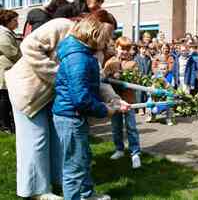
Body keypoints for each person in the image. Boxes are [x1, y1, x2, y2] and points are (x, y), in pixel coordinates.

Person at [5, 11, 119, 200]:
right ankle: (36, 191)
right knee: (36, 140)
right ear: (93, 26)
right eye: (107, 33)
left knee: (58, 143)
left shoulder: (92, 51)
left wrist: (114, 99)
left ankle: (62, 182)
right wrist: (59, 75)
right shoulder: (61, 26)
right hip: (28, 90)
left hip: (55, 97)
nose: (108, 39)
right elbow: (28, 46)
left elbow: (97, 81)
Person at [52, 16, 121, 200]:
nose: (107, 43)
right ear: (93, 35)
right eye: (104, 39)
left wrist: (111, 102)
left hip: (74, 116)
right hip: (71, 117)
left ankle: (87, 195)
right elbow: (81, 99)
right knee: (74, 167)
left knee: (83, 159)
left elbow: (89, 88)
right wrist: (105, 110)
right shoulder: (78, 59)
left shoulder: (82, 54)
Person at [103, 37, 142, 168]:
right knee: (116, 126)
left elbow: (136, 81)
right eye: (122, 48)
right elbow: (103, 79)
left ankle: (135, 152)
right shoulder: (110, 62)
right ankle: (119, 149)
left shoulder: (133, 64)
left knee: (131, 127)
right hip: (114, 100)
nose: (124, 52)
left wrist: (123, 76)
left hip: (128, 100)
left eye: (127, 49)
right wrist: (110, 76)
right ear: (116, 48)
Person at [0, 9, 21, 133]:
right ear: (7, 21)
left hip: (7, 67)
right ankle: (5, 125)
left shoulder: (7, 32)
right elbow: (10, 50)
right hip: (5, 68)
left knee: (5, 97)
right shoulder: (3, 33)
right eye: (15, 20)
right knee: (4, 97)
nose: (17, 23)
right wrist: (22, 57)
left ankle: (6, 124)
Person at [134, 43, 152, 115]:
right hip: (139, 78)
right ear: (139, 49)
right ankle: (140, 108)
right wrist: (139, 76)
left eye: (145, 49)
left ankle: (146, 107)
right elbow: (135, 69)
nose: (144, 50)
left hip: (146, 78)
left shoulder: (148, 58)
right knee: (139, 93)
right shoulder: (136, 58)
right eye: (142, 49)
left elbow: (150, 69)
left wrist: (148, 77)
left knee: (146, 93)